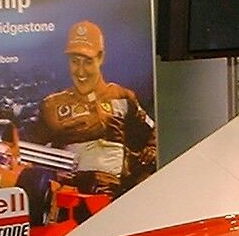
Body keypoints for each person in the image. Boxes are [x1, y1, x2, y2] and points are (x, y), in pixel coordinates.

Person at [39, 21, 157, 194]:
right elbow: (26, 149)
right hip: (69, 196)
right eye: (74, 61)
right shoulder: (52, 105)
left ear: (101, 57)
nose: (80, 71)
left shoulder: (122, 96)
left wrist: (152, 151)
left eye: (87, 61)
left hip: (117, 195)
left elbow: (152, 132)